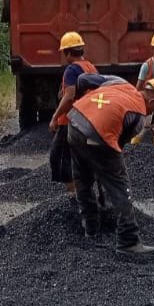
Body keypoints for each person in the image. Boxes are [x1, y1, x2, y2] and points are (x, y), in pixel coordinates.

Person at [67, 74, 154, 254]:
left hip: (75, 122)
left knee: (82, 179)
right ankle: (128, 240)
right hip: (96, 133)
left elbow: (83, 79)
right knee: (120, 186)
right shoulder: (138, 116)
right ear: (152, 101)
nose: (153, 113)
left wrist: (85, 105)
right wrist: (106, 178)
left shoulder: (120, 82)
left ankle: (90, 229)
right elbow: (114, 153)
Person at [48, 32, 97, 194]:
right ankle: (83, 191)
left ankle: (73, 196)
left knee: (60, 157)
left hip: (70, 120)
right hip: (87, 119)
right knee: (78, 157)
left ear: (68, 52)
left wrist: (55, 118)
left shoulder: (72, 69)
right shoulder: (91, 67)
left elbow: (69, 96)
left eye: (64, 52)